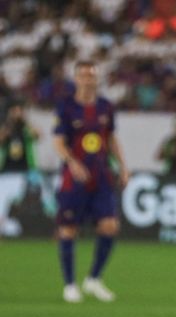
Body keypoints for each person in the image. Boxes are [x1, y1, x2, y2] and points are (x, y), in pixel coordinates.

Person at [54, 61, 130, 303]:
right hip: (73, 179)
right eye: (84, 75)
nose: (88, 79)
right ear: (76, 79)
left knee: (110, 226)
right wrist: (72, 162)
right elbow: (58, 141)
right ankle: (69, 285)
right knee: (68, 229)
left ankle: (94, 279)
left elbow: (111, 139)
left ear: (97, 79)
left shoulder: (106, 107)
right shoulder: (66, 107)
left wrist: (123, 166)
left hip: (101, 176)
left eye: (92, 76)